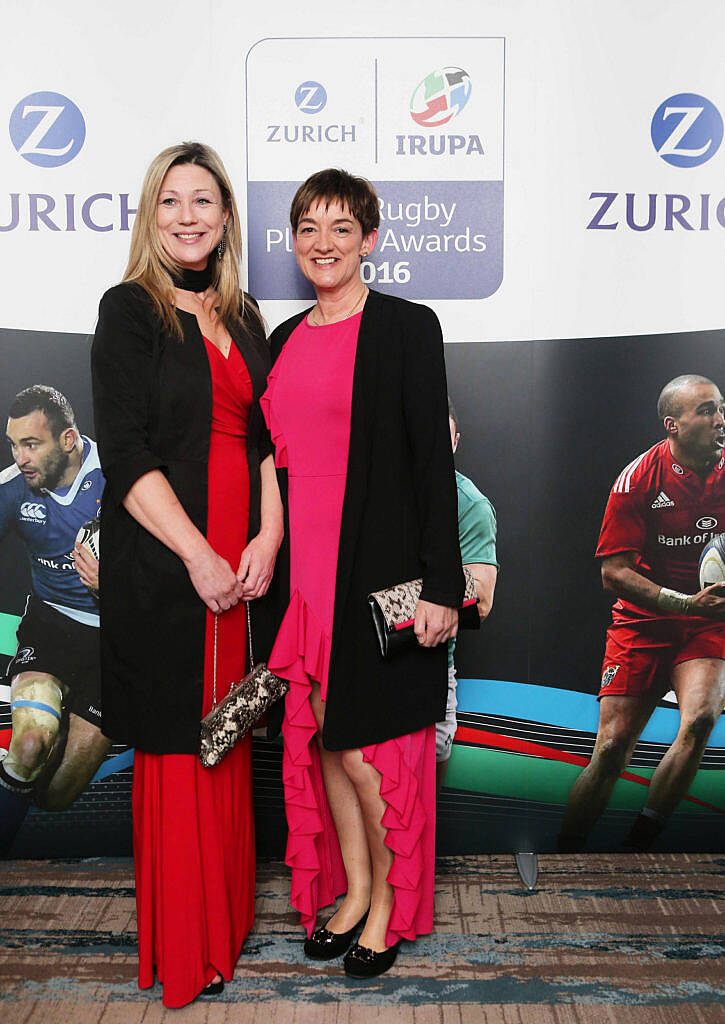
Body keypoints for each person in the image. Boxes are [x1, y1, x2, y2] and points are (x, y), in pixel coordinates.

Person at [91, 142, 282, 1007]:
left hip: (241, 578)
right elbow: (126, 458)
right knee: (178, 752)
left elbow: (263, 448)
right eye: (171, 201)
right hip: (171, 573)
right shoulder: (129, 311)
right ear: (149, 214)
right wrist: (200, 553)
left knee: (229, 741)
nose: (188, 216)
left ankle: (226, 926)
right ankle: (183, 946)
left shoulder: (243, 319)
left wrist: (265, 543)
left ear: (226, 217)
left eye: (204, 201)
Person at [261, 168, 464, 979]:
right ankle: (347, 893)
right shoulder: (279, 341)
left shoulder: (407, 328)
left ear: (369, 239)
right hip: (300, 578)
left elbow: (429, 466)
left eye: (341, 227)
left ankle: (383, 904)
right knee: (321, 746)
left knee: (366, 750)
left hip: (377, 572)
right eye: (308, 227)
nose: (323, 243)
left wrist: (443, 586)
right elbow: (267, 464)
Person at [558, 374, 725, 853]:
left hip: (708, 621)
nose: (720, 421)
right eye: (707, 411)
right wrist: (681, 602)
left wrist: (701, 606)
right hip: (644, 620)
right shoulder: (637, 480)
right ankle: (567, 855)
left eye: (721, 409)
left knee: (699, 721)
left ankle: (639, 847)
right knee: (611, 750)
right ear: (672, 425)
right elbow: (614, 574)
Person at [0, 385, 106, 852]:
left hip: (119, 642)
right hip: (53, 628)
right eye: (13, 444)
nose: (21, 457)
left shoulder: (120, 475)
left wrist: (115, 585)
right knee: (28, 745)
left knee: (57, 795)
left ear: (67, 440)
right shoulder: (10, 489)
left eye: (31, 444)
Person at [436, 398, 498, 792]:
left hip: (428, 662)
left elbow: (482, 600)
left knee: (431, 754)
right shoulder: (374, 493)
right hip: (359, 662)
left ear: (456, 442)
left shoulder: (469, 505)